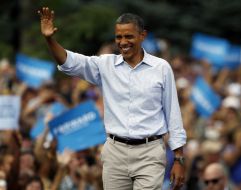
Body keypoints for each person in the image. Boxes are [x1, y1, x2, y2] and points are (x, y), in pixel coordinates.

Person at [38, 7, 186, 190]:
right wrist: (49, 39)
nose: (123, 42)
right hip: (115, 152)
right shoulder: (105, 64)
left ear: (142, 35)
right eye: (118, 37)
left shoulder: (161, 68)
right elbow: (70, 63)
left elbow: (173, 114)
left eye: (129, 36)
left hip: (150, 152)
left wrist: (178, 158)